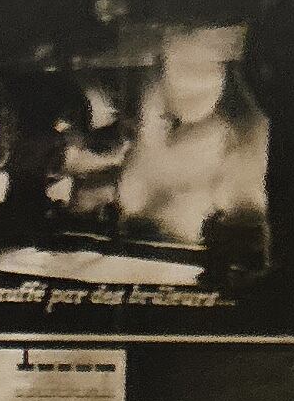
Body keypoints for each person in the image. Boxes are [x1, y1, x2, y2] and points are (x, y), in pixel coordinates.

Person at [115, 23, 270, 255]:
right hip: (216, 85)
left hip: (201, 75)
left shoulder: (137, 194)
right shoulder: (233, 195)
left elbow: (152, 123)